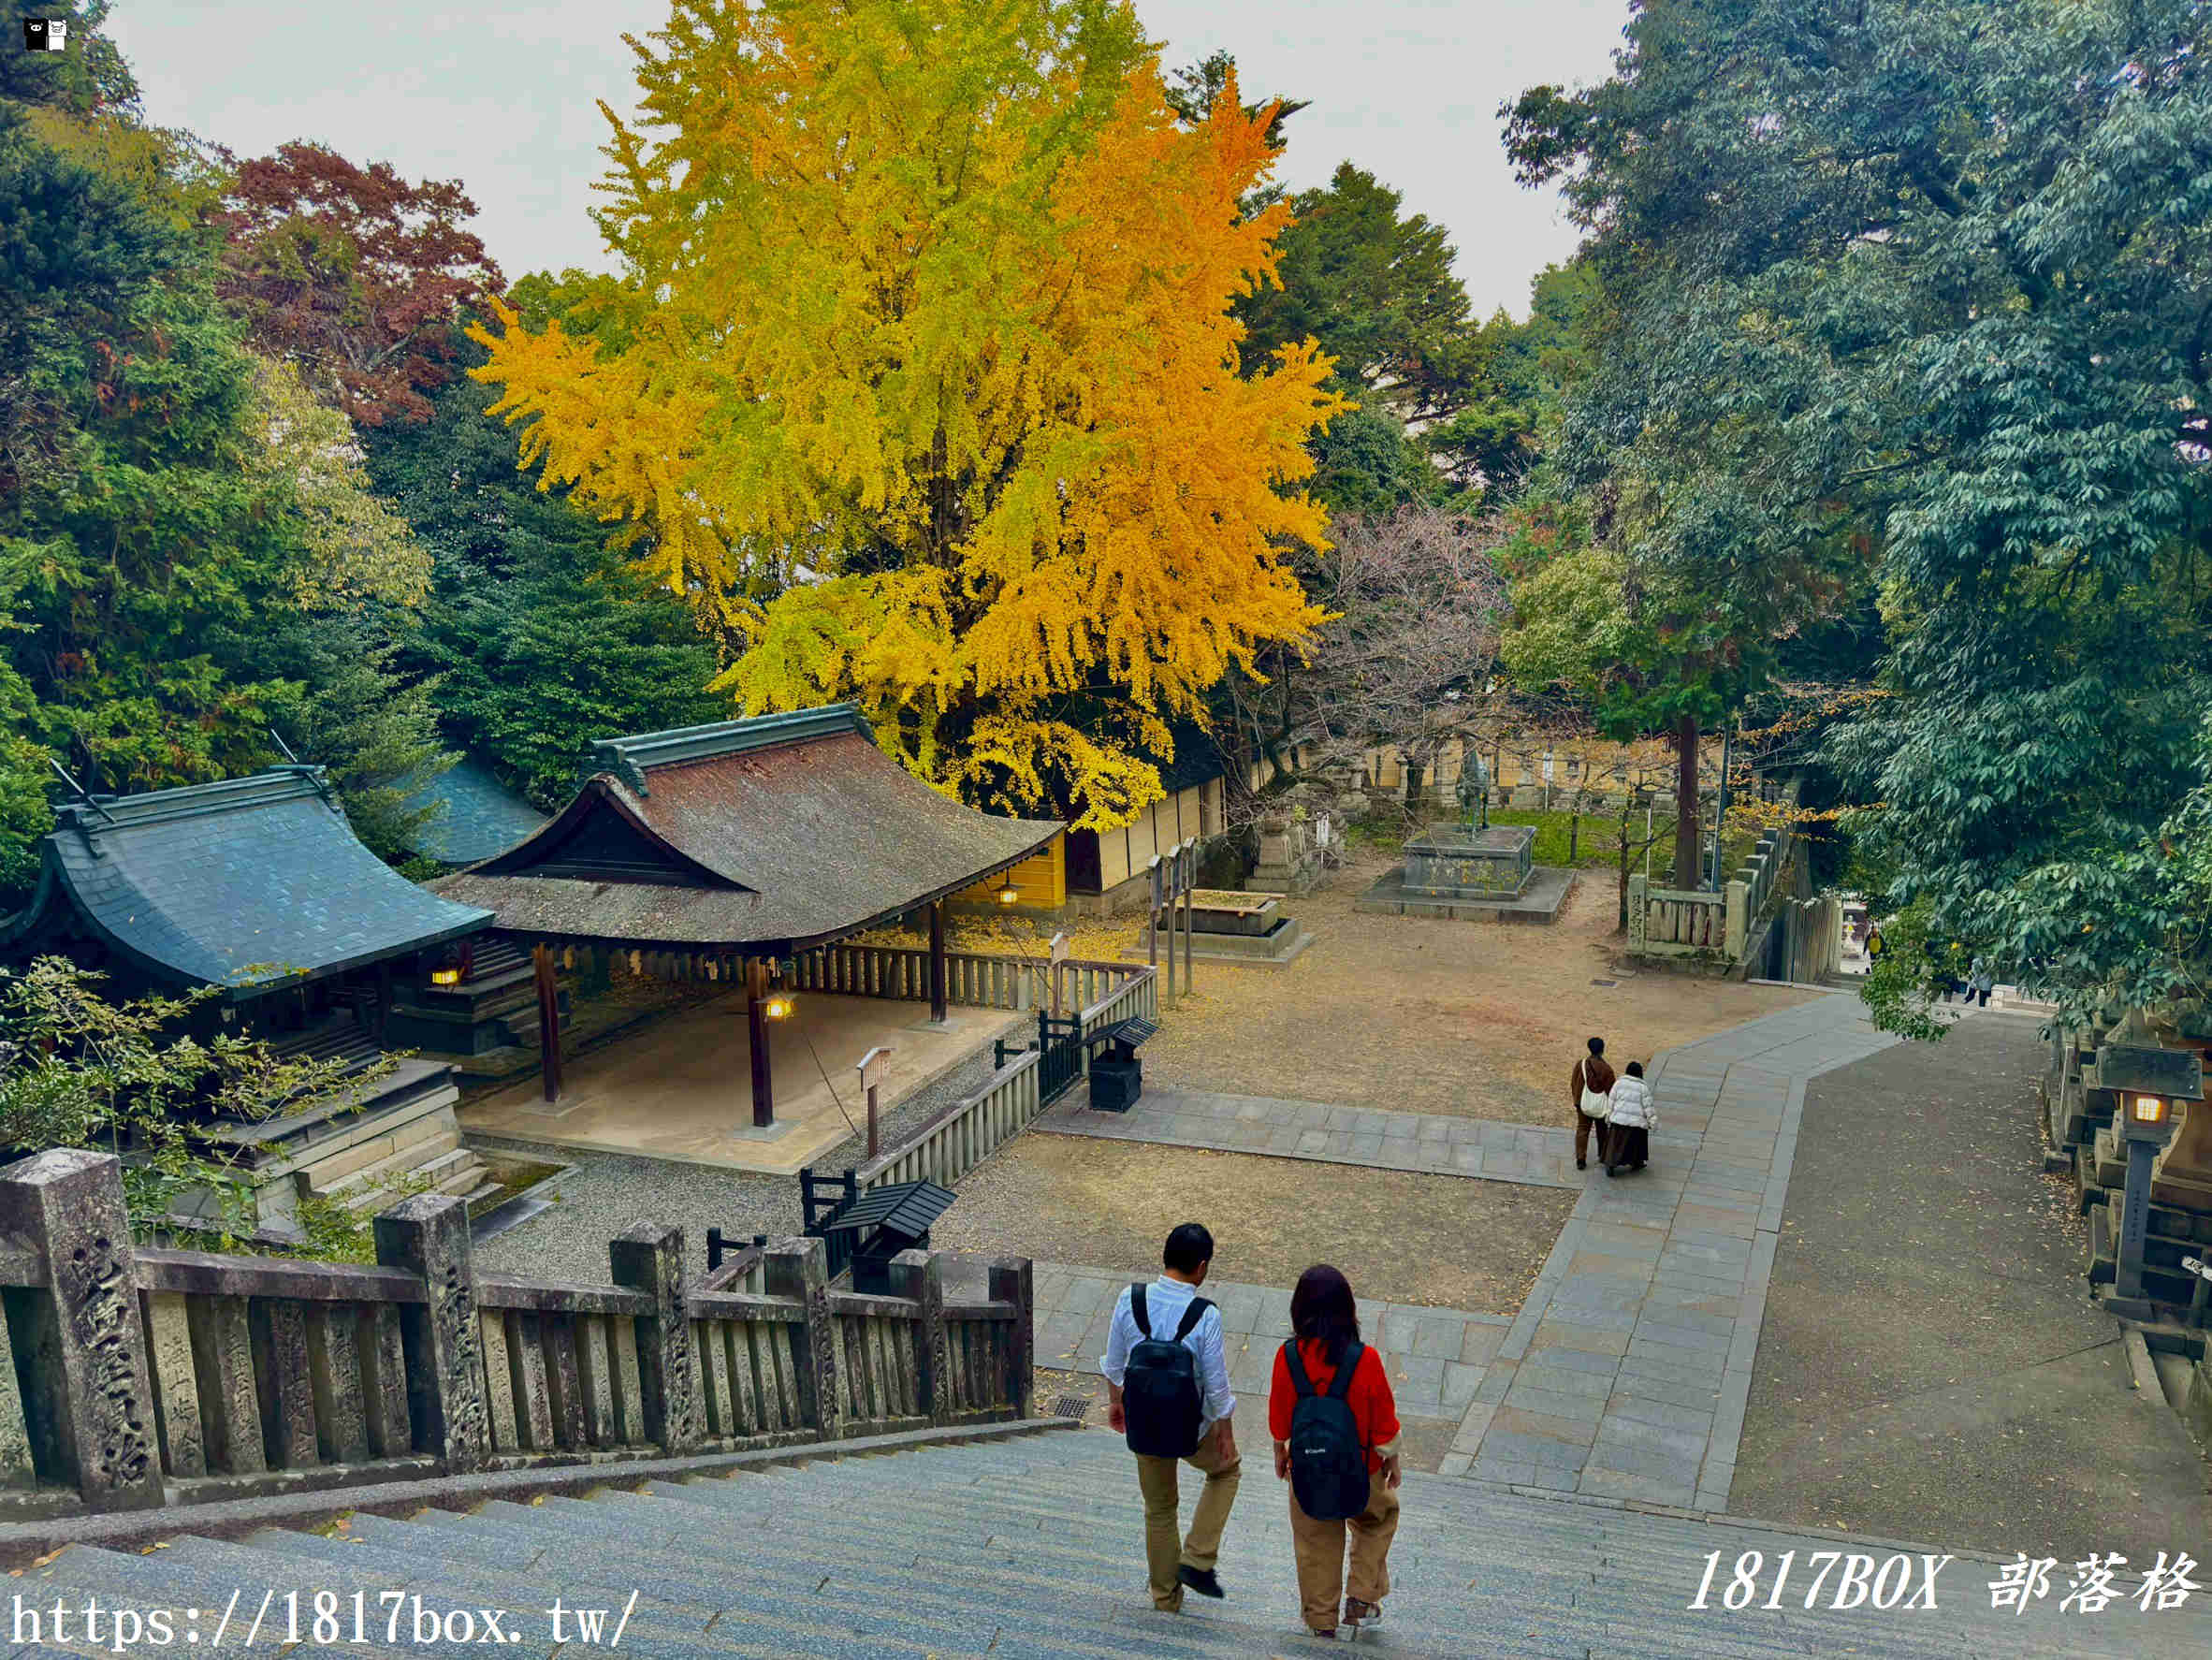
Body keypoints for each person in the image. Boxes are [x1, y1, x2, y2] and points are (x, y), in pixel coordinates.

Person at [1103, 1222, 1240, 1614]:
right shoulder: (1205, 1314)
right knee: (1227, 1472)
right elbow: (1216, 1385)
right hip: (1191, 1427)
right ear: (1201, 1267)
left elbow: (1115, 1364)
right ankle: (1197, 1557)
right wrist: (1224, 1432)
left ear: (1164, 1257)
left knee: (1159, 1509)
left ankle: (1165, 1599)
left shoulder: (1130, 1299)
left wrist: (1117, 1403)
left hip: (1144, 1421)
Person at [1269, 1265, 1402, 1640]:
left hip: (1308, 1467)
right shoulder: (1366, 1358)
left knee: (1315, 1541)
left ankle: (1320, 1619)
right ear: (1348, 1309)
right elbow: (1383, 1420)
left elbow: (1280, 1413)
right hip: (1362, 1467)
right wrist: (1391, 1458)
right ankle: (1361, 1597)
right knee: (1379, 1517)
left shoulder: (1288, 1356)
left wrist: (1281, 1450)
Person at [1569, 1035, 1617, 1172]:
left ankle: (1580, 1158)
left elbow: (1574, 1082)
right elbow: (1611, 1090)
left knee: (1583, 1129)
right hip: (1600, 1106)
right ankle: (1602, 1155)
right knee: (1602, 1130)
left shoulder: (1581, 1064)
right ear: (1602, 1050)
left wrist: (1577, 1101)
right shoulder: (1607, 1069)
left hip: (1583, 1103)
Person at [1604, 1060, 1657, 1177]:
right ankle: (1637, 1161)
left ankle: (1611, 1163)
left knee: (1614, 1144)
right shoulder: (1643, 1088)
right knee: (1638, 1142)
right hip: (1635, 1124)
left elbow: (1611, 1101)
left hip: (1618, 1121)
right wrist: (1653, 1123)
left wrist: (1608, 1116)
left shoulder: (1618, 1084)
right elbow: (1648, 1107)